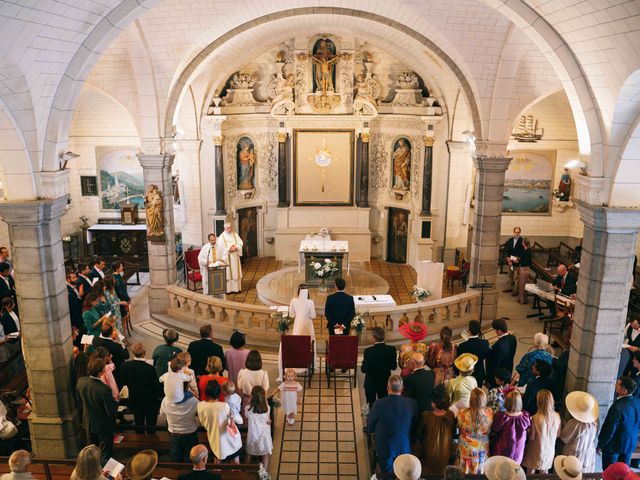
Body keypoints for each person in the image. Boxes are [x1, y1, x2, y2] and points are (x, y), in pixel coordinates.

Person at [367, 374, 417, 473]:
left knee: (387, 474)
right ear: (402, 388)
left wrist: (371, 432)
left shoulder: (379, 404)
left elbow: (370, 425)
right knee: (403, 473)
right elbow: (414, 424)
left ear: (387, 387)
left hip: (385, 448)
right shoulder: (412, 403)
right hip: (404, 446)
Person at [76, 358, 117, 465]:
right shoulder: (104, 389)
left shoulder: (81, 381)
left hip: (88, 422)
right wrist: (115, 403)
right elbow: (110, 412)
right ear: (101, 372)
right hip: (103, 425)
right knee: (105, 452)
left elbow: (79, 401)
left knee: (91, 450)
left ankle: (93, 470)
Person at [119, 342, 163, 434]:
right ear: (144, 353)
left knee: (138, 425)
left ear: (133, 352)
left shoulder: (125, 366)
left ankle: (139, 441)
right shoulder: (150, 368)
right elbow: (156, 385)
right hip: (150, 401)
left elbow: (122, 382)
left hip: (135, 399)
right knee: (151, 425)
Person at [598, 376, 640, 468]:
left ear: (624, 391)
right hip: (629, 444)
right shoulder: (637, 403)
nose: (615, 385)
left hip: (613, 447)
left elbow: (609, 429)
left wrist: (600, 445)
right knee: (623, 473)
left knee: (610, 473)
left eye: (618, 384)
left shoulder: (617, 407)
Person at [198, 380, 242, 463]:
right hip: (229, 438)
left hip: (214, 439)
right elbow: (235, 420)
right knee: (235, 463)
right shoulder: (224, 406)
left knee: (217, 462)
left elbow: (203, 423)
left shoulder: (200, 405)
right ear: (219, 392)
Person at [522, 389, 561, 473]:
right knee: (544, 473)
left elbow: (532, 437)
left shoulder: (535, 418)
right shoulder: (557, 416)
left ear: (539, 402)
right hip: (549, 451)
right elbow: (558, 435)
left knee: (530, 472)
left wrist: (528, 430)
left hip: (536, 450)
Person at [420, 384, 455, 474]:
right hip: (445, 456)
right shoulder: (451, 415)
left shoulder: (426, 416)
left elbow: (419, 435)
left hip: (428, 456)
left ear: (434, 403)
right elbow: (453, 433)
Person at [456, 388, 493, 474]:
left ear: (471, 400)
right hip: (481, 450)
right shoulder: (489, 413)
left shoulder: (462, 413)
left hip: (466, 449)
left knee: (462, 473)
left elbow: (460, 426)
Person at [559, 391, 599, 472]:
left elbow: (565, 438)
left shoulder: (575, 423)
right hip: (588, 454)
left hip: (574, 455)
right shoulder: (595, 422)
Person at [161, 382, 200, 463]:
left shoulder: (166, 399)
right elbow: (200, 413)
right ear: (187, 387)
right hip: (190, 432)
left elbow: (162, 413)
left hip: (174, 432)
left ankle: (176, 472)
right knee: (191, 457)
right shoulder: (193, 400)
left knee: (176, 457)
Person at [490, 390, 531, 463]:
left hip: (502, 451)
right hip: (518, 452)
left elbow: (494, 430)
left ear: (506, 402)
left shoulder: (501, 416)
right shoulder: (525, 416)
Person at [361, 326, 397, 407]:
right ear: (384, 336)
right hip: (384, 383)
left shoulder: (368, 351)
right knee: (383, 405)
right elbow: (394, 367)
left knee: (371, 405)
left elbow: (364, 369)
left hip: (371, 384)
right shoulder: (391, 349)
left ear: (374, 337)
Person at [285, 284, 317, 375]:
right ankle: (308, 364)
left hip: (297, 325)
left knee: (297, 344)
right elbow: (313, 316)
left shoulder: (294, 301)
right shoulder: (310, 302)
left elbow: (291, 314)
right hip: (307, 326)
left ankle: (296, 363)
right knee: (308, 345)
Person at [244, 385, 273, 469]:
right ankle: (263, 474)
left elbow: (246, 416)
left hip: (253, 436)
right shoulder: (267, 408)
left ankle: (244, 470)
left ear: (252, 397)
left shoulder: (248, 409)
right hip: (264, 436)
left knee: (249, 453)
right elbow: (268, 420)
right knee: (265, 455)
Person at [457, 320, 490, 386]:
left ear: (469, 331)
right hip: (479, 373)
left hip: (466, 374)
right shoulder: (485, 343)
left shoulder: (462, 346)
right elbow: (487, 358)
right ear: (479, 331)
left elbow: (459, 361)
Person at [485, 318, 517, 387]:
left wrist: (488, 379)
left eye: (495, 330)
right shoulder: (513, 338)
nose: (495, 332)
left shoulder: (498, 346)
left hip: (499, 378)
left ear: (499, 330)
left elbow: (493, 364)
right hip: (508, 371)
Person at [217, 223, 243, 293]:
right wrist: (229, 249)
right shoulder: (221, 237)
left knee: (235, 271)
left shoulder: (235, 235)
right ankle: (228, 290)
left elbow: (240, 243)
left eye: (230, 227)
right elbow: (220, 248)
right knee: (227, 273)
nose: (230, 229)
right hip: (226, 258)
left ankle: (236, 289)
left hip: (235, 258)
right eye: (228, 228)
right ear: (224, 228)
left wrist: (236, 247)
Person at [503, 226, 524, 295]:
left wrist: (516, 259)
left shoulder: (522, 241)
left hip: (517, 263)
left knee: (516, 277)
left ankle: (515, 290)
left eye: (518, 232)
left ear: (520, 232)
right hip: (511, 263)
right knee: (510, 275)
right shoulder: (510, 240)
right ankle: (510, 287)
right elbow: (507, 251)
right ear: (513, 232)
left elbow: (522, 253)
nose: (517, 234)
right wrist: (508, 259)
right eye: (515, 232)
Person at [67, 269, 84, 336]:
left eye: (75, 277)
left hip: (80, 312)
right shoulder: (67, 289)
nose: (76, 279)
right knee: (78, 335)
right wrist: (79, 296)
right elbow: (72, 304)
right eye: (73, 278)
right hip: (75, 316)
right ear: (68, 280)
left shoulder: (75, 284)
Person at [516, 238, 532, 304]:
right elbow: (523, 258)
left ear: (523, 243)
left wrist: (518, 261)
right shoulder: (525, 250)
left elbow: (526, 261)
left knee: (523, 285)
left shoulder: (528, 251)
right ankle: (521, 298)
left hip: (525, 269)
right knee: (521, 284)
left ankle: (523, 300)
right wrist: (518, 259)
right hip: (523, 268)